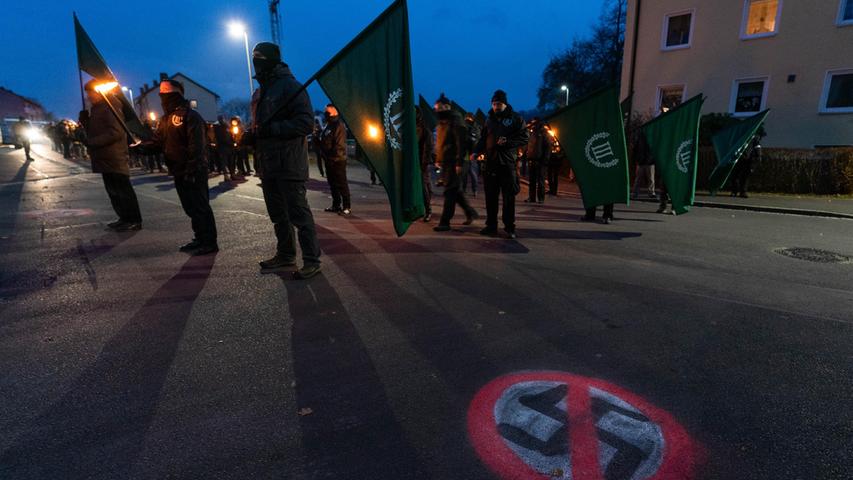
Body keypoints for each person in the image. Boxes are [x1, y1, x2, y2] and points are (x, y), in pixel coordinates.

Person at [248, 42, 321, 279]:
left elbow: (305, 123)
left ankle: (311, 260)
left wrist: (273, 129)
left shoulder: (291, 87)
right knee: (278, 215)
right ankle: (286, 254)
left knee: (299, 215)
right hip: (269, 165)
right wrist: (253, 136)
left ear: (270, 61)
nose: (256, 64)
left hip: (289, 164)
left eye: (259, 60)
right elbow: (261, 128)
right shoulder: (263, 90)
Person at [136, 79, 218, 255]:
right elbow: (158, 142)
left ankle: (209, 242)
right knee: (190, 207)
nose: (163, 96)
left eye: (168, 92)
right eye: (161, 93)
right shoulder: (165, 120)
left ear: (178, 94)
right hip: (178, 169)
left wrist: (193, 168)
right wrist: (141, 147)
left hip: (193, 170)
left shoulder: (191, 116)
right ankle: (199, 238)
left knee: (200, 206)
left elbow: (198, 146)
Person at [79, 80, 143, 232]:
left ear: (98, 92)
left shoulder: (110, 105)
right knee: (113, 191)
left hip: (114, 156)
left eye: (90, 93)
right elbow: (96, 130)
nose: (88, 97)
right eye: (87, 94)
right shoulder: (97, 108)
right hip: (104, 157)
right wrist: (86, 121)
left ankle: (134, 219)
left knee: (123, 190)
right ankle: (123, 218)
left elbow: (115, 132)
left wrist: (93, 142)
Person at [473, 90, 529, 239]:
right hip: (491, 163)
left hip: (507, 164)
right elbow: (483, 138)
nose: (496, 106)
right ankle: (491, 226)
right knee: (490, 198)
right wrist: (476, 152)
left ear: (505, 104)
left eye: (499, 104)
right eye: (494, 104)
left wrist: (508, 143)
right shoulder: (489, 119)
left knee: (508, 198)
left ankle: (509, 227)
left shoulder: (515, 118)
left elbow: (524, 137)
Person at [432, 94, 478, 232]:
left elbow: (460, 142)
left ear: (447, 107)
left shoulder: (456, 121)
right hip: (446, 161)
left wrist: (459, 162)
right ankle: (470, 212)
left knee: (450, 191)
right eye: (436, 108)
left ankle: (445, 222)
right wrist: (438, 160)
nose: (437, 110)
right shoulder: (442, 122)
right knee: (455, 191)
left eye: (440, 108)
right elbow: (440, 143)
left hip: (455, 161)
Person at [318, 104, 351, 215]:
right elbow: (325, 141)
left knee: (341, 183)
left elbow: (339, 144)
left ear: (334, 112)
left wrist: (333, 157)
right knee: (332, 184)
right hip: (329, 159)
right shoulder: (329, 125)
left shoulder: (338, 125)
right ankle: (336, 205)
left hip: (337, 160)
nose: (325, 114)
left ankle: (347, 206)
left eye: (327, 112)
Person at [525, 118, 551, 204]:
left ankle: (541, 198)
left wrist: (545, 159)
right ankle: (532, 197)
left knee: (540, 181)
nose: (532, 124)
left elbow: (548, 147)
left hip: (541, 161)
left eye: (534, 123)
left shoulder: (544, 133)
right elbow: (529, 145)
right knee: (532, 181)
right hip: (532, 160)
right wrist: (527, 156)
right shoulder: (532, 133)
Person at [415, 106, 434, 222]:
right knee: (424, 186)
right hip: (414, 163)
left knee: (423, 186)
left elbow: (428, 149)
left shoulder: (424, 130)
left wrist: (424, 164)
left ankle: (428, 210)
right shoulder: (411, 128)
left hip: (422, 163)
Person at [730, 133, 761, 198]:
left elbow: (757, 151)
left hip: (748, 160)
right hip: (739, 159)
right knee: (735, 175)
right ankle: (734, 191)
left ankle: (743, 192)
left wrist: (754, 163)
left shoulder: (754, 138)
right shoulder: (740, 135)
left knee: (745, 177)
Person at [631, 132, 655, 199]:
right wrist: (636, 159)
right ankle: (635, 193)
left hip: (649, 161)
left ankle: (651, 193)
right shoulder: (639, 136)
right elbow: (635, 148)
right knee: (638, 179)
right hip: (641, 161)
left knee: (650, 179)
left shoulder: (652, 136)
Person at [461, 113, 481, 197]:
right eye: (466, 118)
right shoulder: (463, 126)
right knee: (463, 174)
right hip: (464, 154)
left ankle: (475, 190)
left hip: (473, 154)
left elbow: (477, 139)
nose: (468, 120)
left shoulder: (476, 127)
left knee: (473, 174)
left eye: (469, 118)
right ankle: (463, 190)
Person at [214, 115, 235, 180]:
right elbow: (220, 138)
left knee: (230, 161)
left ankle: (232, 174)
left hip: (229, 147)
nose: (222, 120)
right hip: (223, 147)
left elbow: (231, 134)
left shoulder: (227, 126)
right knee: (224, 162)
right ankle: (226, 176)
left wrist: (233, 141)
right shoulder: (217, 127)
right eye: (220, 119)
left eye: (222, 118)